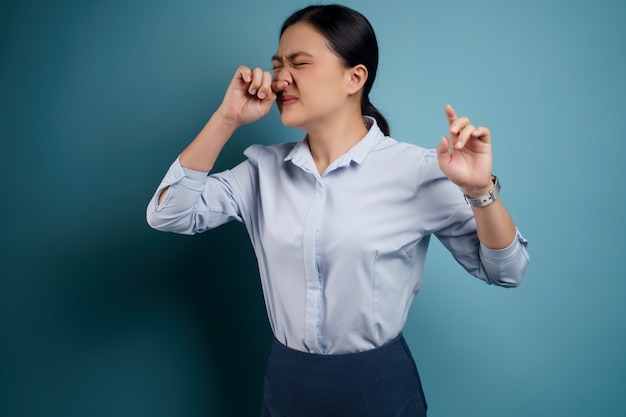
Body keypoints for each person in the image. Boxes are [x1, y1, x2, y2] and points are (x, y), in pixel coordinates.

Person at [146, 4, 529, 416]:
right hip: (287, 383)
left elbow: (507, 271)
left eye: (300, 63)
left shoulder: (416, 171)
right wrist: (226, 119)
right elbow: (168, 213)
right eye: (277, 66)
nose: (280, 79)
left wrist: (478, 190)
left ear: (355, 77)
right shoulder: (262, 171)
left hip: (378, 388)